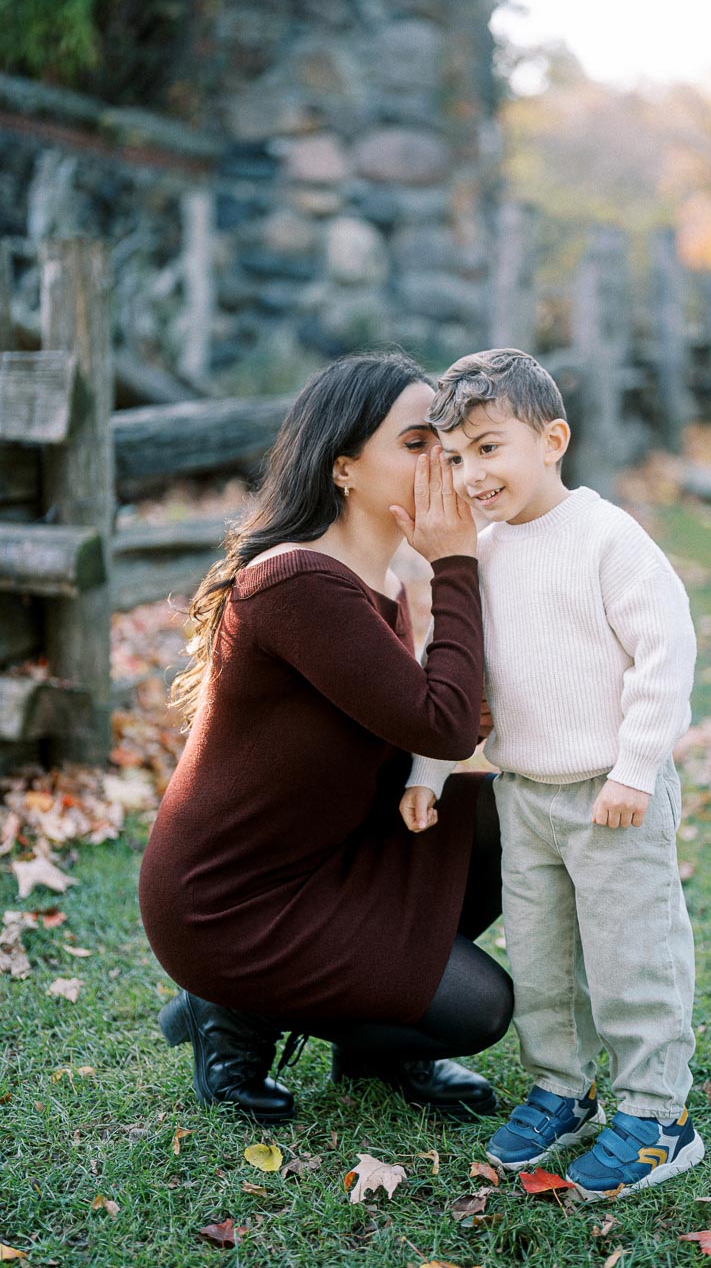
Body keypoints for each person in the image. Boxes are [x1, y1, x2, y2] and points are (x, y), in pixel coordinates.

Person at [138, 349, 513, 1125]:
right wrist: (455, 564)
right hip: (230, 905)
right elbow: (443, 717)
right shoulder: (300, 582)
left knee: (505, 818)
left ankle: (370, 1043)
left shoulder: (370, 581)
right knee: (480, 1006)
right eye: (415, 445)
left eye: (445, 446)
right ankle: (230, 1008)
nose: (442, 465)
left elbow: (435, 724)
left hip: (325, 861)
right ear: (344, 468)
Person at [402, 348, 704, 1201]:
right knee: (541, 961)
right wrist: (430, 768)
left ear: (552, 439)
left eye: (489, 448)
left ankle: (656, 1117)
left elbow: (663, 654)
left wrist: (636, 769)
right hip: (523, 795)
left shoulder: (606, 537)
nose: (471, 475)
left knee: (630, 954)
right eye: (455, 458)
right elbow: (461, 679)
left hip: (612, 793)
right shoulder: (481, 556)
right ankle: (561, 1088)